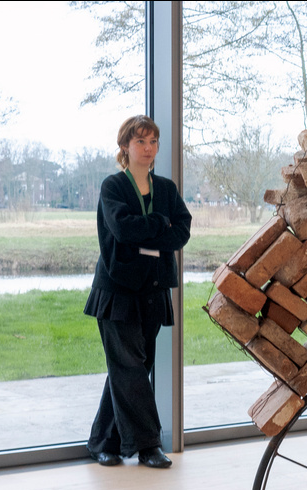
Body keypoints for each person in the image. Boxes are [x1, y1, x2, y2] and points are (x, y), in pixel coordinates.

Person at [84, 115, 191, 467]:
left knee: (133, 367)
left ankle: (103, 442)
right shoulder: (113, 187)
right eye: (140, 142)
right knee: (128, 366)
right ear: (125, 147)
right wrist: (160, 224)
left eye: (153, 142)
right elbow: (123, 230)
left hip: (154, 288)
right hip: (118, 291)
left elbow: (183, 231)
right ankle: (148, 445)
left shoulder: (167, 189)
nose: (148, 149)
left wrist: (155, 231)